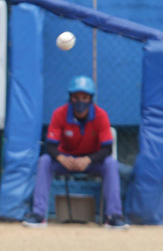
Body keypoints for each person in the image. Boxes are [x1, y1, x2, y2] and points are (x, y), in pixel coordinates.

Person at [22, 75, 129, 230]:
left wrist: (88, 159)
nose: (80, 101)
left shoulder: (100, 115)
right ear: (70, 97)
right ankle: (38, 215)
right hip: (65, 161)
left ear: (91, 98)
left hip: (91, 162)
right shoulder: (60, 113)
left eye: (85, 97)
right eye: (76, 97)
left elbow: (107, 148)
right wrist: (60, 157)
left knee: (111, 163)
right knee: (45, 160)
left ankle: (114, 216)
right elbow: (50, 145)